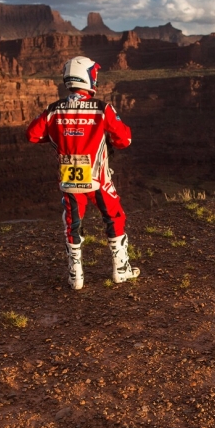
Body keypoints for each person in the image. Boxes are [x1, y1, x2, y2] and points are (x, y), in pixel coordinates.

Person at [26, 56, 140, 290]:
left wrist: (57, 138)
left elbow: (32, 135)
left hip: (69, 177)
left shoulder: (54, 109)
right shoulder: (102, 109)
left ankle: (75, 276)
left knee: (72, 223)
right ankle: (121, 270)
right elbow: (125, 139)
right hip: (98, 178)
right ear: (88, 77)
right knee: (114, 217)